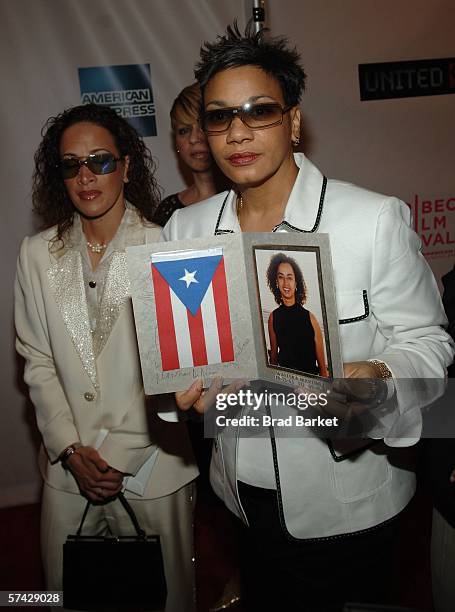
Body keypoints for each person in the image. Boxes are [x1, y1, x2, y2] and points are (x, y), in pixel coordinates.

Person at [162, 23, 454, 611]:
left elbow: (430, 343)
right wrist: (181, 391)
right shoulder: (186, 231)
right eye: (219, 117)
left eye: (259, 110)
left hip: (350, 502)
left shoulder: (370, 220)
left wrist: (376, 378)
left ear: (294, 121)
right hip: (240, 496)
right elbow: (180, 361)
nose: (237, 131)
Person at [14, 104, 198, 612]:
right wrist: (71, 451)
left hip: (154, 469)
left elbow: (179, 368)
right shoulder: (35, 254)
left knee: (167, 600)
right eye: (71, 165)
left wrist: (116, 455)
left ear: (128, 166)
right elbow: (36, 358)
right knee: (63, 597)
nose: (86, 176)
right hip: (67, 471)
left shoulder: (166, 248)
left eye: (100, 160)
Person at [153, 83, 218, 226]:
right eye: (184, 130)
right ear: (176, 143)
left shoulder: (249, 199)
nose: (194, 138)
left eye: (203, 126)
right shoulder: (168, 212)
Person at [266, 252, 328, 376]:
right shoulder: (273, 317)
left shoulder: (310, 318)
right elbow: (273, 359)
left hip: (310, 383)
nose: (285, 283)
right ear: (276, 282)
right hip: (286, 383)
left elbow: (322, 368)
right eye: (281, 277)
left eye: (289, 277)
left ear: (296, 283)